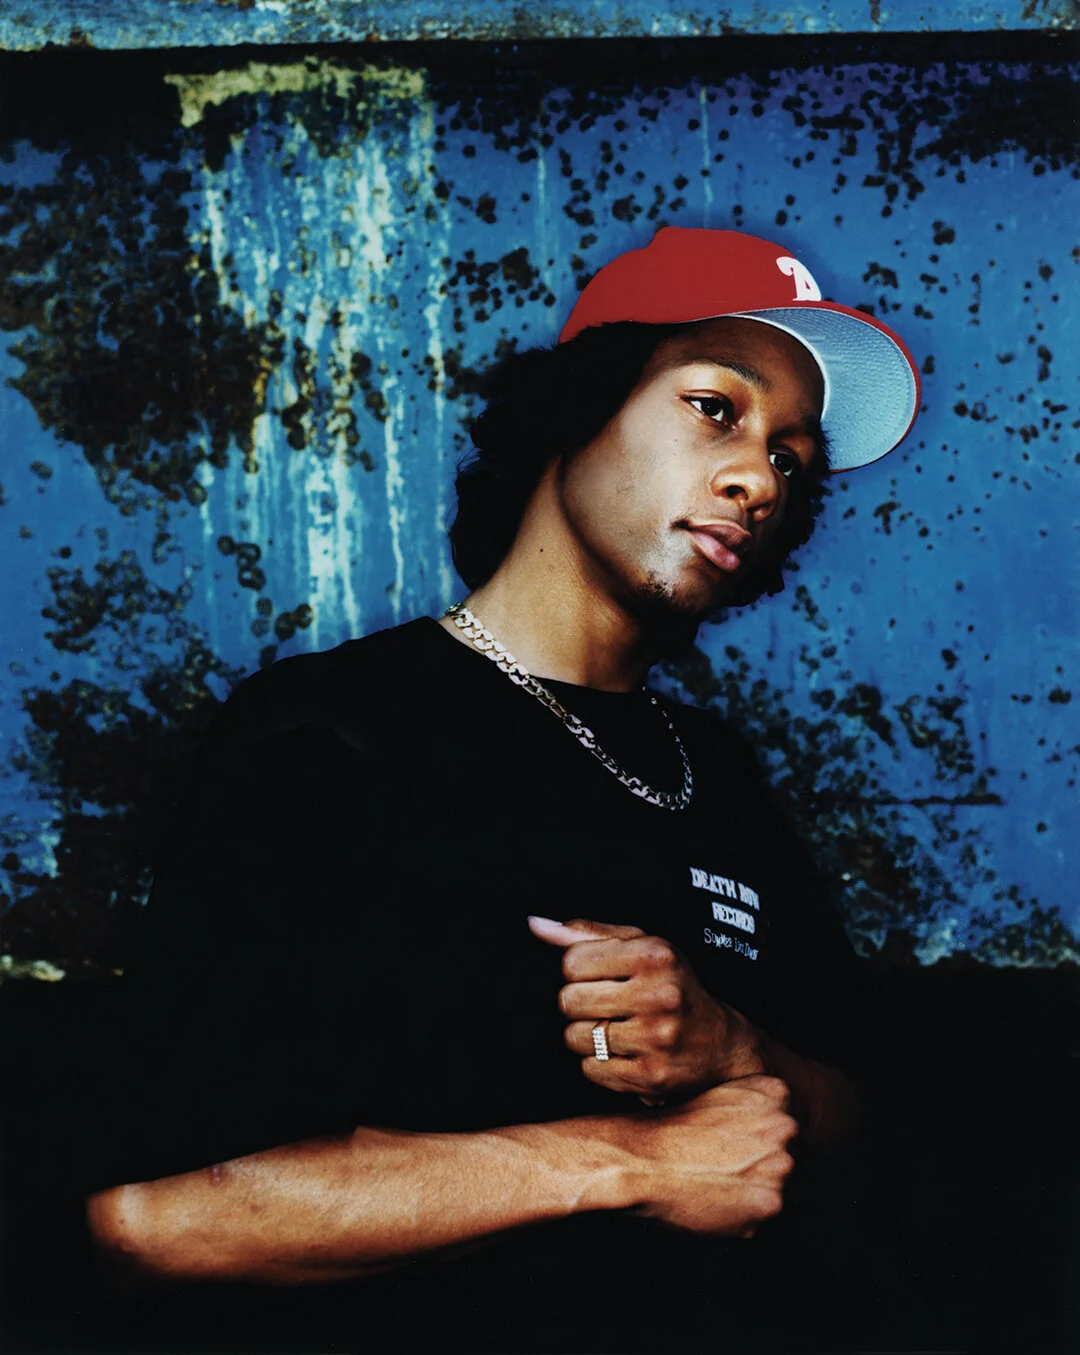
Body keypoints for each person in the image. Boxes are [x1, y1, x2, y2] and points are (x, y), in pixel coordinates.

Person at [79, 227, 919, 1351]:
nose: (758, 479)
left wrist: (734, 1049)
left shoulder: (714, 769)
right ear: (581, 404)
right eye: (716, 407)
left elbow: (859, 1117)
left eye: (792, 459)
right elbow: (150, 1222)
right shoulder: (329, 737)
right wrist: (632, 1162)